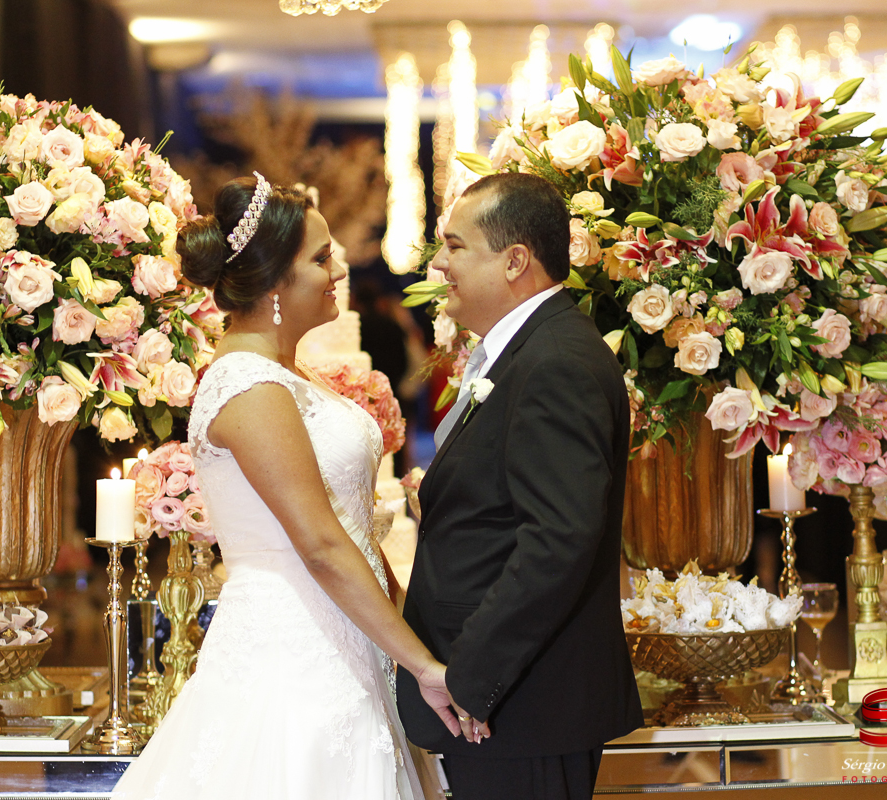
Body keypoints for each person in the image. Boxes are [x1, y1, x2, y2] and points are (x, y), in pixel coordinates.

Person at [112, 173, 463, 800]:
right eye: (320, 258)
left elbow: (350, 526)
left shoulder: (284, 374)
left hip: (349, 644)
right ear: (276, 280)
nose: (340, 268)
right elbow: (322, 543)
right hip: (291, 661)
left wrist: (409, 630)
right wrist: (423, 664)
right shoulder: (248, 385)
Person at [395, 172, 643, 800]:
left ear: (514, 260)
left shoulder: (554, 360)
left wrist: (471, 677)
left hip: (519, 706)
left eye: (455, 247)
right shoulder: (526, 350)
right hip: (506, 710)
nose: (439, 262)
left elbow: (559, 539)